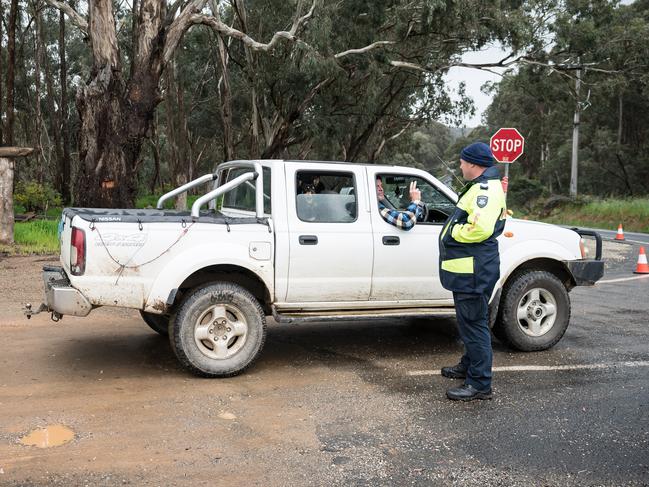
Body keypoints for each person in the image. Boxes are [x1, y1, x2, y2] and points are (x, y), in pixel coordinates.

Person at [439, 142, 507, 401]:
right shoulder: (481, 187)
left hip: (473, 271)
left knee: (475, 325)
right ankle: (469, 366)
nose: (460, 165)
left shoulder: (485, 191)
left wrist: (452, 233)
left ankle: (479, 384)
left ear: (474, 165)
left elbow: (479, 229)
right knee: (469, 323)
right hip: (469, 270)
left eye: (462, 161)